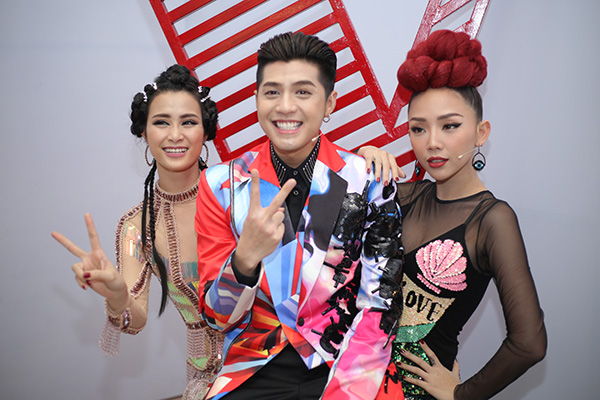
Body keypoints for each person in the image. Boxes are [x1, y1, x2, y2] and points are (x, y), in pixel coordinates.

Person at [195, 32, 405, 400]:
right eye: (272, 92)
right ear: (256, 99)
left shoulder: (367, 179)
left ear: (330, 102)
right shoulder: (220, 185)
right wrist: (245, 259)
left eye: (303, 92)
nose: (285, 106)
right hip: (254, 367)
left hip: (344, 361)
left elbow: (380, 305)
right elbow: (217, 318)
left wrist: (345, 394)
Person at [370, 30, 547, 400]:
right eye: (418, 129)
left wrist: (461, 394)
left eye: (450, 126)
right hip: (355, 380)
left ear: (481, 132)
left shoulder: (492, 221)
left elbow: (529, 343)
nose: (432, 142)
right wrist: (360, 164)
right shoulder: (402, 196)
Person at [52, 65, 224, 399]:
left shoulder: (238, 193)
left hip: (270, 358)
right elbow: (135, 319)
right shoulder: (137, 228)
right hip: (206, 379)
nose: (175, 135)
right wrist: (117, 294)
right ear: (144, 133)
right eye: (161, 122)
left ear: (205, 132)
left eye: (188, 122)